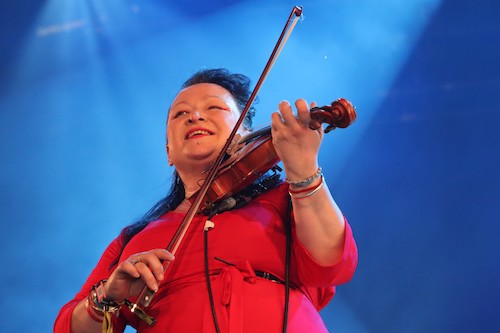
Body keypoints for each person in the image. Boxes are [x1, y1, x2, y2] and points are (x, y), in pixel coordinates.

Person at [54, 68, 358, 333]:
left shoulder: (285, 198)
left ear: (246, 135)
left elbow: (333, 263)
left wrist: (302, 168)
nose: (195, 116)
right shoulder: (133, 240)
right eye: (180, 114)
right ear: (168, 153)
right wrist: (108, 295)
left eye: (214, 108)